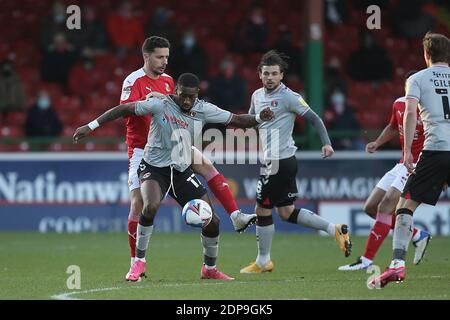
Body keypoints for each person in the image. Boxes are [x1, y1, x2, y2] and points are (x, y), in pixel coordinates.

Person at [73, 73, 275, 282]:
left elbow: (238, 120)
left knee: (212, 221)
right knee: (149, 205)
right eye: (183, 96)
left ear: (197, 95)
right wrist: (91, 126)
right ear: (176, 91)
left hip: (180, 171)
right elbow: (123, 109)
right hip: (154, 167)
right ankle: (138, 263)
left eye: (191, 97)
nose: (187, 101)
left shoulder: (203, 109)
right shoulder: (159, 104)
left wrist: (260, 118)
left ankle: (209, 269)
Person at [119, 36, 257, 280]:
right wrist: (152, 106)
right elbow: (130, 111)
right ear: (147, 57)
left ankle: (235, 217)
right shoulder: (133, 81)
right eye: (160, 57)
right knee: (140, 204)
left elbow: (189, 110)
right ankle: (136, 262)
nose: (164, 61)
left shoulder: (170, 82)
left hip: (175, 146)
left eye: (167, 57)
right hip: (145, 149)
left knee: (206, 166)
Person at [240, 51, 352, 274]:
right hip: (276, 160)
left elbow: (314, 118)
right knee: (286, 212)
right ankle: (334, 229)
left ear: (282, 75)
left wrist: (326, 143)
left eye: (274, 73)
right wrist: (257, 119)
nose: (270, 77)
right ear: (260, 75)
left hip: (280, 161)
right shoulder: (256, 95)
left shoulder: (289, 96)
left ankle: (263, 261)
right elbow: (252, 122)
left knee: (262, 208)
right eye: (266, 73)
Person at [370, 32, 450, 288]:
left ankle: (397, 265)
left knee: (405, 207)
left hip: (435, 150)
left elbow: (410, 114)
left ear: (426, 54)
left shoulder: (416, 79)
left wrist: (406, 153)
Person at [339, 71, 431, 272]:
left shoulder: (430, 108)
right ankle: (416, 234)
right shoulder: (399, 104)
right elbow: (392, 126)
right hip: (402, 163)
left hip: (418, 165)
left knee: (386, 206)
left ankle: (366, 260)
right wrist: (377, 142)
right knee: (370, 207)